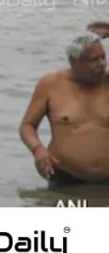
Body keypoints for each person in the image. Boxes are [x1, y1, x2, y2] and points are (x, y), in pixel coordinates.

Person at [19, 33, 109, 188]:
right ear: (74, 61)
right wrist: (38, 150)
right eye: (94, 60)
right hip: (66, 178)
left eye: (103, 57)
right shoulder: (51, 84)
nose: (102, 64)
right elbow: (27, 125)